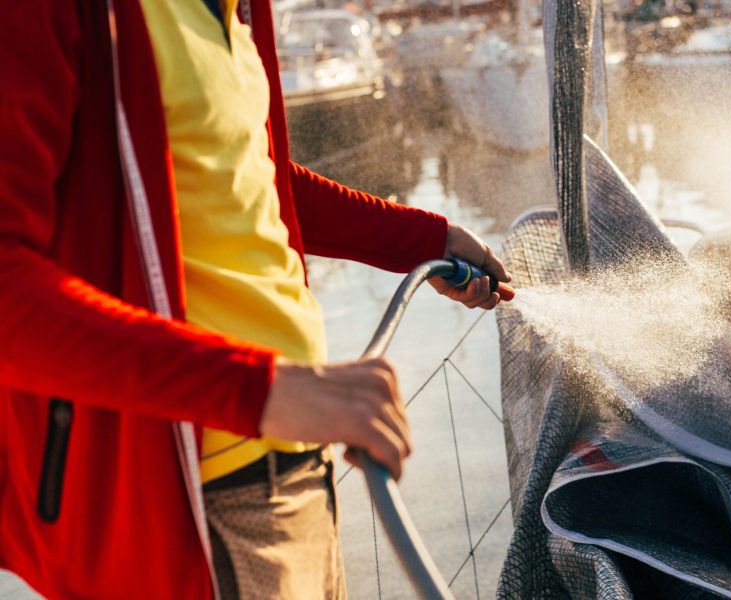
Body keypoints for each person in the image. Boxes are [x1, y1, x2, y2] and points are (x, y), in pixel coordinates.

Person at [0, 0, 510, 598]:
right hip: (202, 503)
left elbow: (253, 173)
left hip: (296, 463)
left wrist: (427, 238)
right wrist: (262, 390)